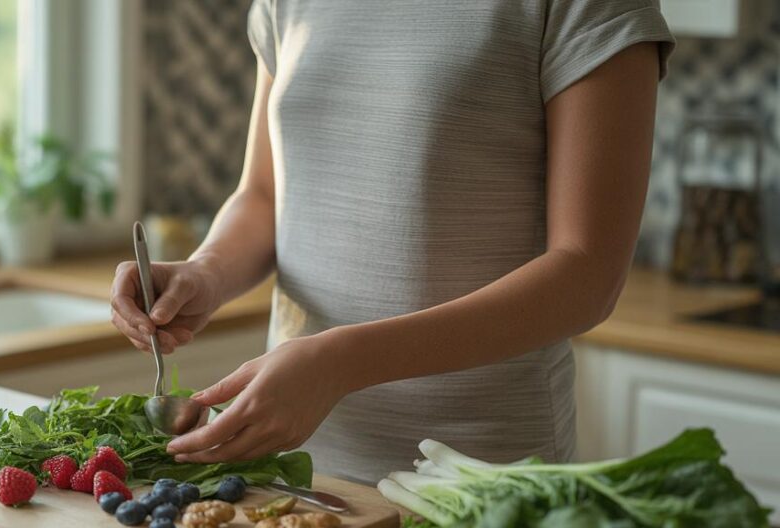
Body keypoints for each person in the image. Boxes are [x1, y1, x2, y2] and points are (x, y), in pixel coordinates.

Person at [111, 1, 675, 483]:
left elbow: (587, 276)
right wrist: (205, 272)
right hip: (296, 467)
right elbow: (264, 194)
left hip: (476, 477)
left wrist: (340, 362)